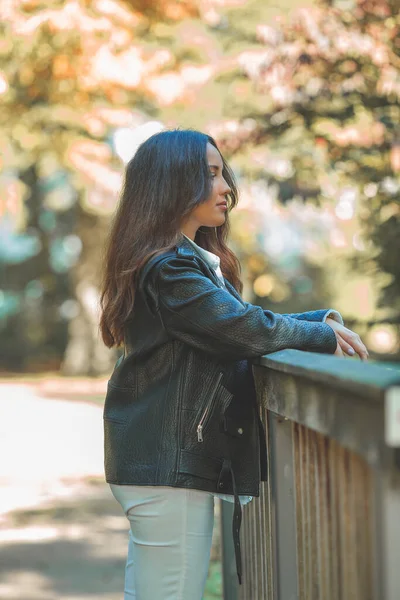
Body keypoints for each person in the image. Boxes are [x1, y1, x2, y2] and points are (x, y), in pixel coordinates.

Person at [99, 128, 368, 600]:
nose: (226, 187)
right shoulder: (171, 269)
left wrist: (316, 320)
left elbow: (237, 321)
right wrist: (321, 336)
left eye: (223, 173)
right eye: (210, 175)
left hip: (158, 463)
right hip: (168, 466)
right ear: (172, 184)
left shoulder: (177, 261)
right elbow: (241, 330)